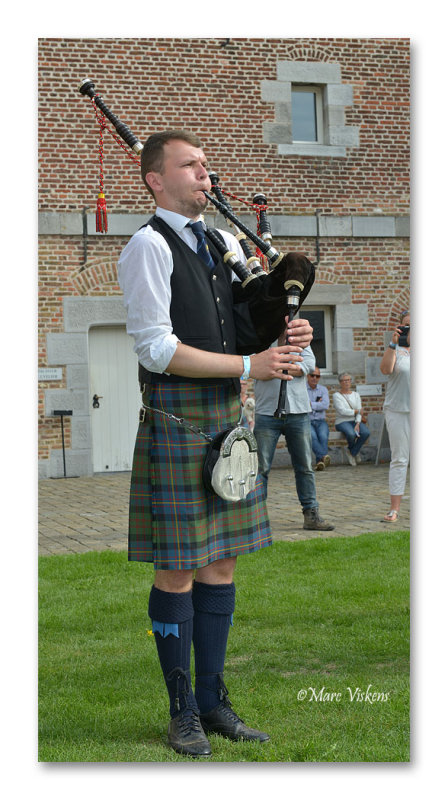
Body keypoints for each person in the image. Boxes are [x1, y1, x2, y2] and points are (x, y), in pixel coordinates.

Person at [117, 130, 313, 757]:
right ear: (156, 178)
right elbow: (156, 348)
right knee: (177, 570)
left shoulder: (225, 242)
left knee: (221, 561)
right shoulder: (148, 246)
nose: (206, 175)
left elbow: (246, 320)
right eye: (191, 166)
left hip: (228, 418)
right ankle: (181, 714)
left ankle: (214, 701)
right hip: (179, 418)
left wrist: (289, 332)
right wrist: (249, 367)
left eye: (207, 166)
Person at [253, 339, 334, 532]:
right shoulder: (260, 338)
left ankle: (311, 515)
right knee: (260, 468)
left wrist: (275, 367)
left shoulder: (301, 342)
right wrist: (291, 367)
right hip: (266, 411)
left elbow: (307, 366)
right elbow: (255, 366)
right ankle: (255, 519)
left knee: (305, 466)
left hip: (298, 411)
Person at [379, 310, 410, 522]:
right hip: (398, 410)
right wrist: (393, 344)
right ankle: (394, 508)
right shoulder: (396, 349)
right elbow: (385, 369)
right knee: (400, 459)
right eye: (406, 325)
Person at [333, 373, 370, 466]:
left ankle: (352, 452)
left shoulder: (356, 395)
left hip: (354, 421)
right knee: (351, 433)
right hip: (342, 421)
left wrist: (358, 423)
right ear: (340, 382)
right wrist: (356, 411)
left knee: (365, 433)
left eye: (348, 380)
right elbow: (342, 411)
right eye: (344, 380)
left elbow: (360, 410)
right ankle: (355, 452)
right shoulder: (336, 395)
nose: (347, 382)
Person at [307, 367, 331, 470]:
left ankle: (320, 463)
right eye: (312, 375)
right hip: (307, 421)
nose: (315, 378)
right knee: (313, 437)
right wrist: (318, 404)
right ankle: (323, 457)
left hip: (321, 420)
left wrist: (311, 404)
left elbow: (325, 405)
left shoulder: (323, 389)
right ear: (307, 376)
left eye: (317, 376)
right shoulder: (302, 389)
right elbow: (304, 405)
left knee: (323, 436)